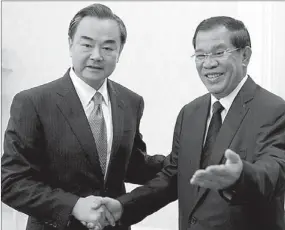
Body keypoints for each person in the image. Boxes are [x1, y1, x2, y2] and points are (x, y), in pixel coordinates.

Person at [94, 16, 285, 230]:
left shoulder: (274, 110)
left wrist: (241, 176)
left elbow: (275, 172)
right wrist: (123, 207)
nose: (209, 63)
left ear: (245, 56)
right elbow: (174, 176)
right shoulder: (190, 113)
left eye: (219, 53)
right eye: (201, 55)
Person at [1, 3, 167, 230]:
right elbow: (12, 183)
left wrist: (187, 160)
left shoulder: (130, 102)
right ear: (71, 45)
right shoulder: (33, 103)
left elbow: (131, 164)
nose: (97, 56)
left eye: (108, 48)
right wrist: (73, 206)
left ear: (120, 52)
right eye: (87, 44)